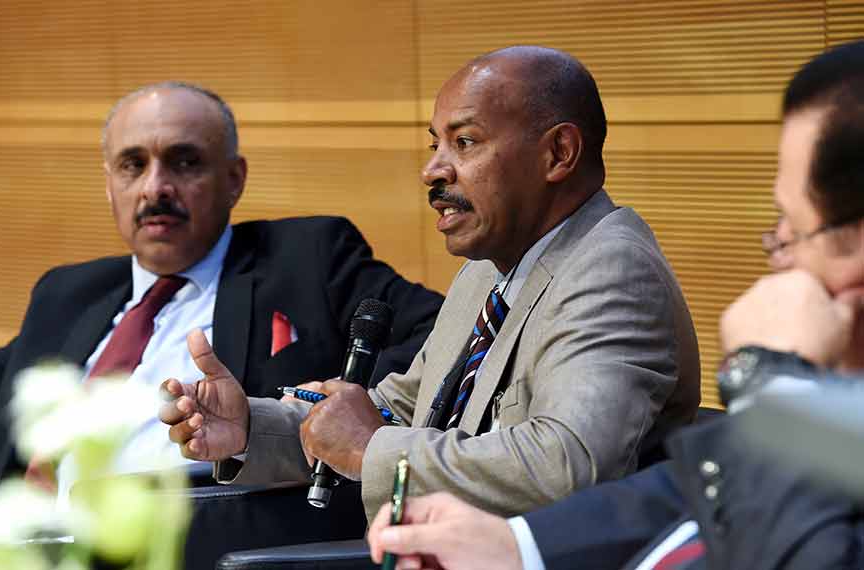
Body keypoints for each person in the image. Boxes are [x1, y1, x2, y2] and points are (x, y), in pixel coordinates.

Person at [366, 39, 864, 570]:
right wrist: (519, 548)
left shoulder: (613, 266)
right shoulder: (484, 271)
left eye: (793, 232)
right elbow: (682, 492)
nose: (780, 267)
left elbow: (806, 548)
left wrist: (774, 385)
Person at [160, 45, 701, 525]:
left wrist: (372, 449)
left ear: (558, 154)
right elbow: (402, 410)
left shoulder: (611, 271)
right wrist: (251, 427)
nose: (433, 171)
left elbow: (567, 465)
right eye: (434, 145)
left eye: (465, 142)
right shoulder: (490, 271)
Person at [0, 82, 444, 491]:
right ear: (110, 186)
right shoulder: (68, 291)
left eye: (184, 162)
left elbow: (443, 337)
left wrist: (333, 406)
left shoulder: (306, 258)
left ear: (234, 179)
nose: (156, 188)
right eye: (133, 165)